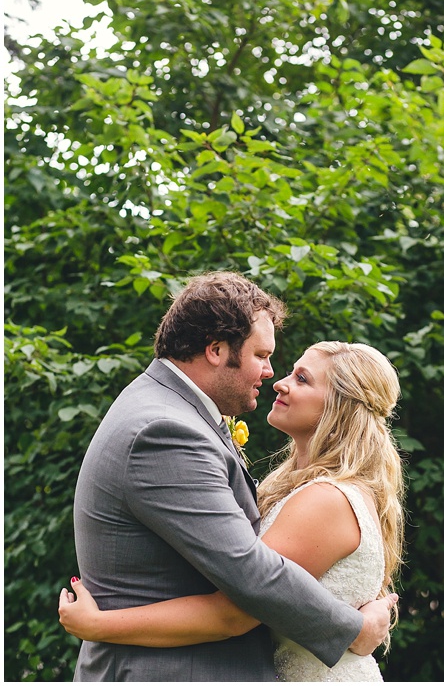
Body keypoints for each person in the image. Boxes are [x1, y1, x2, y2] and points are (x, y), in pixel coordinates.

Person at [65, 272, 395, 681]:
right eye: (261, 355)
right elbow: (250, 576)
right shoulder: (166, 431)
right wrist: (355, 629)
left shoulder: (167, 410)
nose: (271, 373)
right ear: (217, 349)